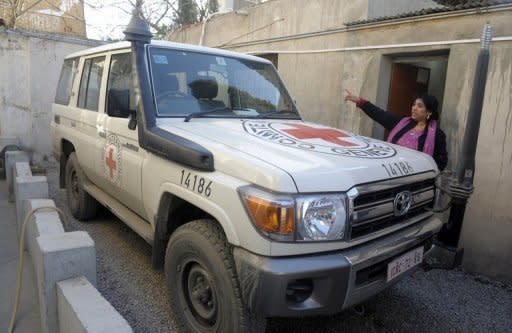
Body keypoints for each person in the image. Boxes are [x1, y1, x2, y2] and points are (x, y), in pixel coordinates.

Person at [345, 90, 448, 171]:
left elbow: (441, 162)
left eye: (419, 106)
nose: (414, 108)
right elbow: (380, 115)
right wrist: (361, 102)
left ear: (429, 112)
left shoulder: (437, 135)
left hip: (415, 180)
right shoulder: (402, 123)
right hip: (390, 171)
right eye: (414, 104)